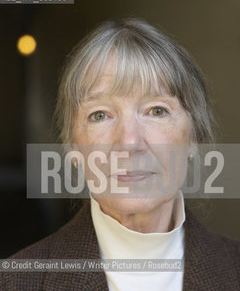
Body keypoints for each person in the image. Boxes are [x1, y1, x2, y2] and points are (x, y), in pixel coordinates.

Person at [1, 18, 240, 291]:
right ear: (72, 148)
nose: (129, 142)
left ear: (193, 137)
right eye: (100, 115)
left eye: (156, 111)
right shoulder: (16, 283)